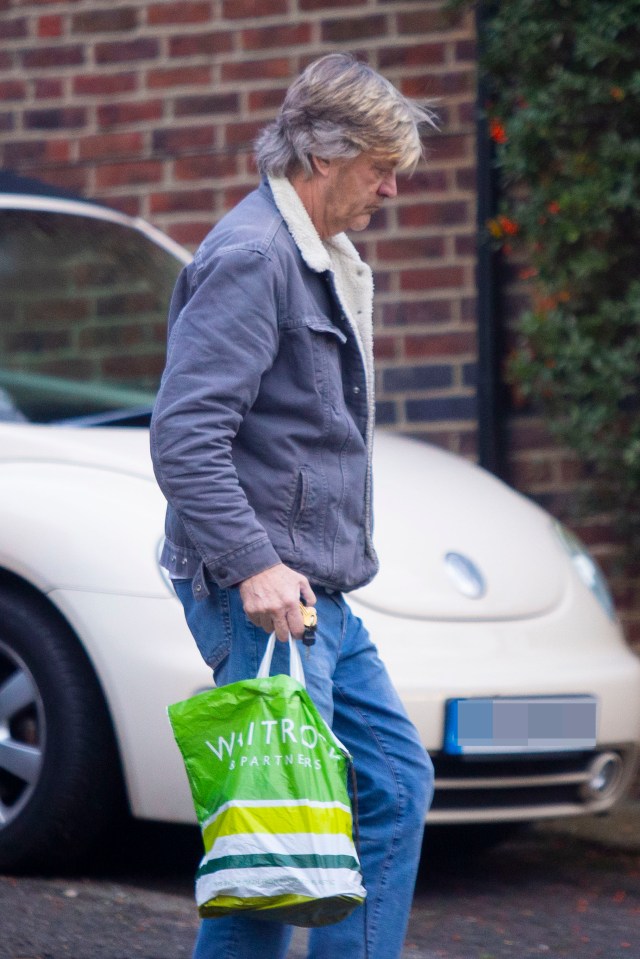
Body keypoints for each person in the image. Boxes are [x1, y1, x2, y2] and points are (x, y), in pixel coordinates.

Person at [150, 52, 437, 959]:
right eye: (378, 167)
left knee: (391, 783)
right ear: (323, 154)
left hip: (321, 599)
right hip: (263, 594)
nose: (390, 189)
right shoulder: (254, 258)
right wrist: (256, 566)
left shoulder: (325, 262)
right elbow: (185, 437)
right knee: (276, 849)